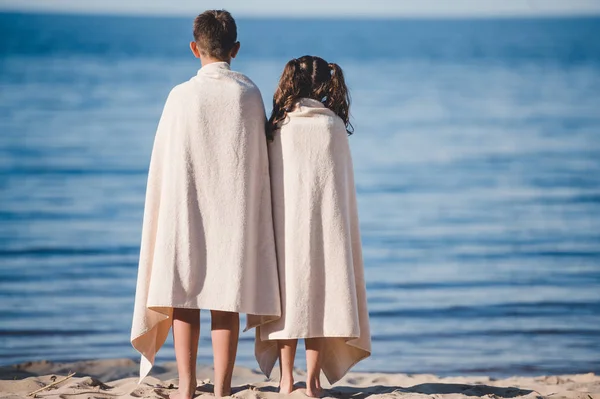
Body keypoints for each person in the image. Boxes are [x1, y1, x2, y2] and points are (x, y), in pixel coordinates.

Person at [130, 10, 280, 399]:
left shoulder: (180, 96)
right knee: (225, 296)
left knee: (184, 294)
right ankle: (224, 389)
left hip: (187, 206)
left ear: (194, 48)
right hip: (234, 210)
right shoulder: (248, 93)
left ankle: (186, 386)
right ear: (236, 49)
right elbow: (259, 160)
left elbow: (164, 163)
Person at [255, 55, 371, 397]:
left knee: (289, 305)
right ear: (325, 85)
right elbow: (339, 191)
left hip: (285, 231)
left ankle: (287, 379)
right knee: (321, 302)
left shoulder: (279, 127)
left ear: (291, 81)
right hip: (325, 233)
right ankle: (315, 382)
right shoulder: (333, 126)